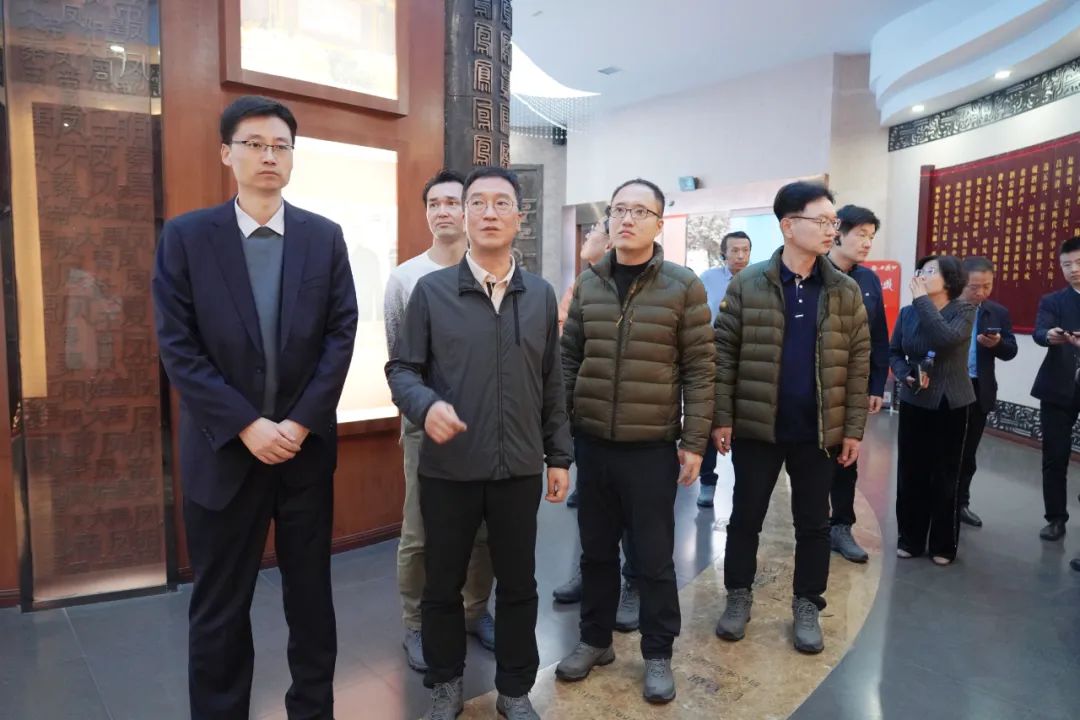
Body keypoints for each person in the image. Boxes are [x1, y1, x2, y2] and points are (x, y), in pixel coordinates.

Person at [152, 95, 358, 720]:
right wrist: (245, 423)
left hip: (303, 454)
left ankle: (313, 710)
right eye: (254, 144)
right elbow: (178, 345)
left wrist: (297, 422)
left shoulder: (323, 236)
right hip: (222, 455)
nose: (269, 155)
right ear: (227, 153)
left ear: (293, 156)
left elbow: (340, 334)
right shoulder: (187, 237)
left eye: (280, 146)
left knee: (311, 602)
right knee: (220, 607)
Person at [386, 166, 572, 720]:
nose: (489, 213)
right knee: (442, 584)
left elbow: (551, 383)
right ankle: (446, 685)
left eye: (501, 203)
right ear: (464, 216)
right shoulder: (431, 292)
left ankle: (514, 689)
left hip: (518, 468)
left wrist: (558, 456)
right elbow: (402, 369)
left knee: (518, 585)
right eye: (478, 203)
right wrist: (426, 405)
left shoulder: (539, 296)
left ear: (519, 217)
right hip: (449, 468)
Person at [555, 178, 714, 704]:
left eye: (639, 211)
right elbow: (569, 360)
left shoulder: (682, 286)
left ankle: (658, 653)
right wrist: (563, 433)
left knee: (653, 557)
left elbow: (700, 368)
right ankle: (595, 640)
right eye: (619, 210)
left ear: (659, 223)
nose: (626, 219)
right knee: (595, 551)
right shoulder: (590, 283)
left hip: (651, 446)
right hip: (593, 441)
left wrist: (694, 441)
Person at [713, 181, 869, 655]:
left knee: (814, 524)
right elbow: (724, 353)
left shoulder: (843, 290)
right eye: (821, 221)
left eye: (833, 222)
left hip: (818, 431)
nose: (830, 230)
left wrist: (853, 429)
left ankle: (807, 603)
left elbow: (858, 363)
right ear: (788, 225)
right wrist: (722, 416)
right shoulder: (748, 283)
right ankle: (738, 595)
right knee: (745, 518)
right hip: (758, 427)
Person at [383, 170, 496, 673]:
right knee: (419, 531)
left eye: (453, 202)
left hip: (485, 422)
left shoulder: (493, 271)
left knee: (484, 529)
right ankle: (415, 623)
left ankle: (475, 611)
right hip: (423, 423)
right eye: (435, 203)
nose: (444, 211)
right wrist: (423, 409)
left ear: (468, 210)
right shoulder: (406, 278)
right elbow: (399, 358)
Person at [552, 218, 641, 637]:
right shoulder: (585, 283)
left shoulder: (650, 286)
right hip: (590, 416)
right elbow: (568, 346)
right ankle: (587, 573)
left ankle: (633, 583)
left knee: (632, 513)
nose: (586, 238)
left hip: (635, 423)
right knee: (591, 509)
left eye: (592, 234)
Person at [890, 254, 975, 566]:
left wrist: (922, 301)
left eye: (930, 271)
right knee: (911, 473)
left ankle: (943, 544)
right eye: (921, 270)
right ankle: (910, 539)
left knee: (945, 475)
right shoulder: (907, 313)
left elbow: (944, 339)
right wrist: (905, 374)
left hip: (951, 403)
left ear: (949, 279)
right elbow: (894, 351)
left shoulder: (964, 310)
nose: (922, 274)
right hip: (915, 400)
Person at [825, 205, 888, 563]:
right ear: (838, 234)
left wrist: (876, 385)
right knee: (809, 460)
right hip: (814, 384)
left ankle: (841, 527)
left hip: (852, 387)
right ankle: (812, 526)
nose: (867, 243)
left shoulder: (869, 280)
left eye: (871, 237)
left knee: (847, 458)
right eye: (861, 235)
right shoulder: (814, 273)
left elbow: (879, 336)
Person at [957, 256, 1018, 528]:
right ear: (961, 282)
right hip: (949, 387)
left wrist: (997, 345)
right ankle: (936, 502)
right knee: (942, 450)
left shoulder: (997, 312)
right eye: (974, 287)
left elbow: (1011, 350)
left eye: (987, 286)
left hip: (978, 388)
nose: (981, 292)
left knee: (968, 452)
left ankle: (961, 503)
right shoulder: (945, 308)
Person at [695, 230, 752, 508]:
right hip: (714, 360)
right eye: (734, 250)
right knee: (710, 420)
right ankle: (707, 481)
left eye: (745, 250)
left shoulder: (758, 281)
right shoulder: (708, 279)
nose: (740, 256)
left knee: (745, 425)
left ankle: (746, 486)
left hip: (747, 364)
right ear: (723, 253)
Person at [1031, 236, 1080, 544]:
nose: (1073, 269)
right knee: (1055, 455)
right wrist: (1050, 335)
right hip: (1057, 387)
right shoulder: (1053, 301)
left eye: (1078, 262)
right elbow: (1039, 332)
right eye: (1067, 264)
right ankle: (1055, 518)